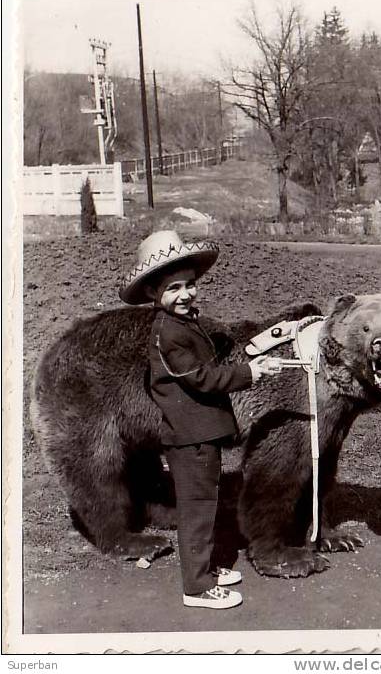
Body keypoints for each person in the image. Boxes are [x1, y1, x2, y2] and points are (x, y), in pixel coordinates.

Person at [119, 230, 280, 609]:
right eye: (173, 288)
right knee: (197, 508)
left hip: (199, 433)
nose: (186, 294)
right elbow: (202, 378)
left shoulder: (182, 322)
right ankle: (197, 586)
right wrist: (251, 372)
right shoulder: (169, 333)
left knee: (205, 502)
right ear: (152, 295)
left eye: (189, 285)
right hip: (190, 437)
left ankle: (205, 566)